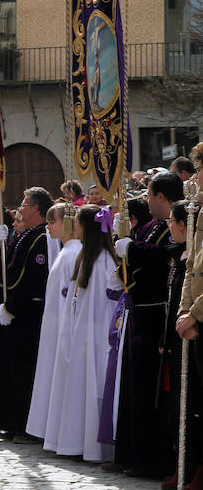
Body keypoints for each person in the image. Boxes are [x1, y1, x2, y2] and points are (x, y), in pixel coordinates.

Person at [109, 171, 184, 476]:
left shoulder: (177, 224)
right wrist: (122, 237)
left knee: (149, 390)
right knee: (133, 387)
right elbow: (135, 254)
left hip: (156, 315)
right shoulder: (153, 227)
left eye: (150, 195)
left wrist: (133, 248)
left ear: (162, 197)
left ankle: (150, 460)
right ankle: (132, 455)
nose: (147, 201)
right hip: (138, 311)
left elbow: (166, 256)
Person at [43, 205, 118, 462]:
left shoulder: (104, 261)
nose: (72, 226)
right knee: (78, 386)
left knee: (91, 385)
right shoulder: (86, 256)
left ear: (85, 226)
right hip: (80, 333)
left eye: (76, 222)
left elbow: (102, 303)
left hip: (95, 335)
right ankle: (76, 442)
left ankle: (93, 446)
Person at [0, 186, 53, 443]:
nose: (20, 208)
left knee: (24, 371)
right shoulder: (26, 235)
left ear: (36, 207)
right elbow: (7, 270)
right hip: (15, 311)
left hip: (28, 313)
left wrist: (12, 306)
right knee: (10, 369)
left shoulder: (41, 237)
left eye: (25, 203)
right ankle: (10, 420)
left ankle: (25, 425)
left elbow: (31, 279)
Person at [26, 203, 80, 442]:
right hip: (54, 326)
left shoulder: (72, 254)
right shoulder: (64, 252)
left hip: (63, 328)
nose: (48, 227)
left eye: (52, 221)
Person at [176, 142, 203, 488]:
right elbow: (190, 269)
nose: (197, 177)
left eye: (200, 169)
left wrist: (195, 313)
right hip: (196, 321)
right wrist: (185, 310)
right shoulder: (199, 212)